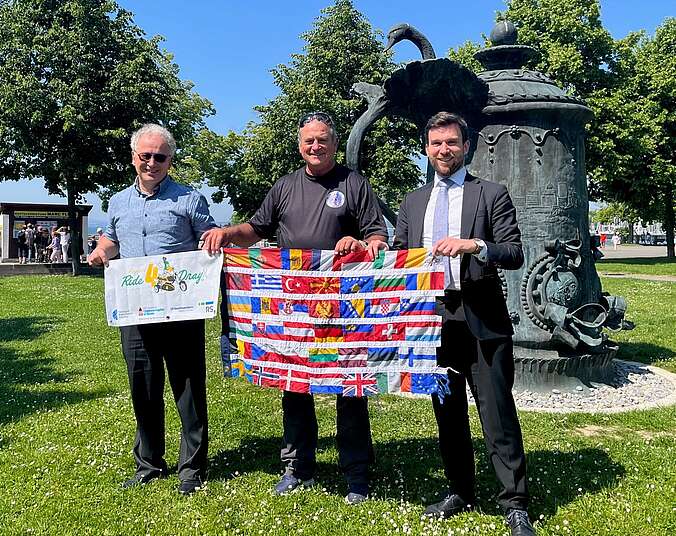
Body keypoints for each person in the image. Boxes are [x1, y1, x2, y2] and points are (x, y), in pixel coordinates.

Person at [202, 111, 388, 505]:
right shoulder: (285, 186)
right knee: (294, 383)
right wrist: (227, 233)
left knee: (350, 385)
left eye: (322, 140)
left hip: (342, 305)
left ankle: (356, 471)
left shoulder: (355, 184)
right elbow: (256, 228)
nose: (315, 147)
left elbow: (377, 236)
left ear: (335, 144)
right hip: (292, 305)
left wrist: (359, 242)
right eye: (309, 141)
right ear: (299, 145)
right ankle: (298, 465)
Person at [393, 112, 534, 536]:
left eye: (451, 142)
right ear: (425, 148)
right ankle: (460, 490)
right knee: (447, 413)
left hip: (481, 319)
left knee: (498, 413)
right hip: (432, 323)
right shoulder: (412, 202)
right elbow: (399, 259)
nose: (443, 150)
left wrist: (474, 246)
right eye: (436, 143)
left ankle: (514, 504)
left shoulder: (490, 194)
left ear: (466, 146)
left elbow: (513, 252)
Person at [88, 123, 223, 495]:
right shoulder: (117, 202)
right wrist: (101, 252)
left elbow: (207, 239)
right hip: (134, 310)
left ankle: (191, 468)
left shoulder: (189, 199)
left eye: (159, 156)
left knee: (188, 388)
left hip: (181, 309)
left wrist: (213, 240)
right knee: (143, 387)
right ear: (133, 158)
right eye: (145, 156)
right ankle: (148, 462)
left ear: (170, 160)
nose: (152, 162)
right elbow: (111, 239)